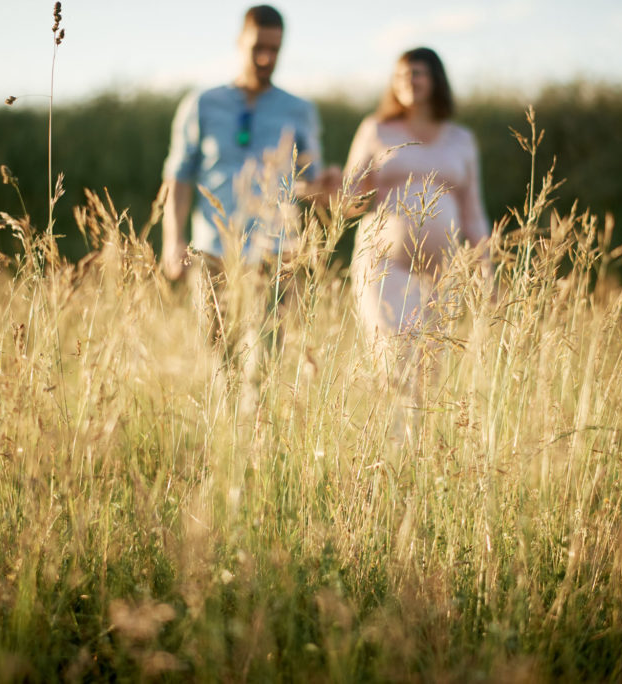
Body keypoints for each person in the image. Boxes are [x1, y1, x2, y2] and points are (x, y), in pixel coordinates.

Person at [160, 5, 338, 398]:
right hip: (212, 251)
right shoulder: (201, 104)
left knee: (265, 362)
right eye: (258, 47)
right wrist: (172, 241)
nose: (266, 58)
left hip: (275, 253)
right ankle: (224, 440)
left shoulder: (299, 109)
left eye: (275, 49)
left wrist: (329, 186)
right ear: (240, 41)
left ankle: (253, 443)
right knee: (220, 358)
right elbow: (178, 176)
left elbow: (308, 184)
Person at [343, 47, 491, 377]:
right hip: (383, 267)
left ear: (435, 79)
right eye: (400, 75)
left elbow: (473, 211)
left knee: (430, 367)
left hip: (440, 273)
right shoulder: (376, 130)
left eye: (417, 73)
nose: (408, 81)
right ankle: (391, 430)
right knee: (392, 361)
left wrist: (487, 270)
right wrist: (340, 191)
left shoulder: (461, 139)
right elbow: (348, 198)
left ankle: (417, 431)